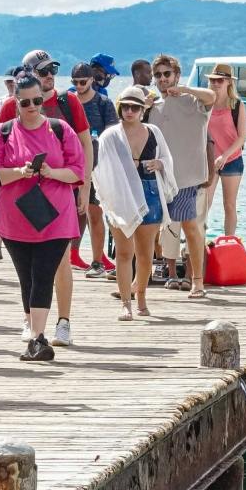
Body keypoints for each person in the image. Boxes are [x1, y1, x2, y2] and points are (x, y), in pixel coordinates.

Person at [0, 50, 90, 346]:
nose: (33, 106)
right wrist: (21, 172)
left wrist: (51, 172)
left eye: (38, 100)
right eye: (26, 102)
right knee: (27, 275)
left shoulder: (62, 127)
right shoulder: (4, 130)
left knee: (46, 272)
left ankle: (43, 333)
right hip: (16, 216)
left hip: (56, 214)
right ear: (16, 103)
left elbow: (79, 167)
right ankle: (33, 326)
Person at [92, 85, 176, 319]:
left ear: (142, 110)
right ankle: (126, 304)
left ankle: (141, 298)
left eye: (135, 107)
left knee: (146, 252)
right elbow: (100, 169)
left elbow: (167, 158)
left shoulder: (154, 132)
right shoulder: (110, 136)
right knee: (124, 252)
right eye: (125, 107)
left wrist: (159, 164)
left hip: (150, 190)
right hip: (121, 194)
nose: (129, 111)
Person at [148, 54, 215, 299]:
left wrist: (184, 88)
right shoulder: (153, 106)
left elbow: (212, 97)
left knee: (191, 228)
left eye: (168, 74)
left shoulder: (192, 101)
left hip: (187, 178)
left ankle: (197, 280)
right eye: (159, 75)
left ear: (176, 75)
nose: (163, 79)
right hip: (159, 178)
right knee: (149, 229)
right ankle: (142, 280)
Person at [71, 62, 119, 280]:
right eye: (75, 82)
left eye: (83, 82)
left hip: (97, 165)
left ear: (92, 80)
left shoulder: (103, 102)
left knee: (95, 213)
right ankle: (65, 256)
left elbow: (113, 134)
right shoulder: (67, 101)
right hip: (69, 165)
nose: (79, 86)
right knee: (67, 213)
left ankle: (98, 261)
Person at [205, 62, 246, 237]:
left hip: (232, 160)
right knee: (204, 203)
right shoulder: (205, 104)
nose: (216, 84)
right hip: (210, 161)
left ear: (229, 82)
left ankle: (229, 241)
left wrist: (224, 156)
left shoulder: (237, 105)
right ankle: (197, 241)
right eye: (213, 80)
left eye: (220, 80)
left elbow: (241, 137)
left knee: (229, 204)